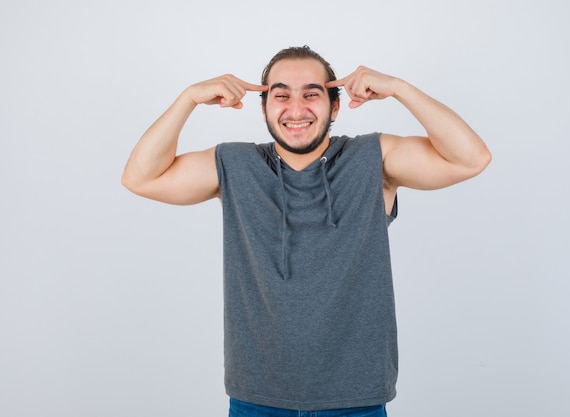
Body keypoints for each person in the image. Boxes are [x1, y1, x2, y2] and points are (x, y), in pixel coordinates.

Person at [121, 46, 491, 416]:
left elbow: (471, 158)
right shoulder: (236, 165)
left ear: (335, 106)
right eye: (281, 95)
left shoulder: (373, 159)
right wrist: (187, 98)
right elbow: (141, 177)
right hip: (257, 398)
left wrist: (399, 87)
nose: (296, 110)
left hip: (356, 400)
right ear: (264, 107)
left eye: (311, 94)